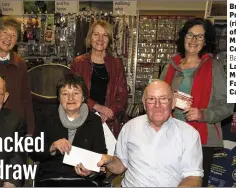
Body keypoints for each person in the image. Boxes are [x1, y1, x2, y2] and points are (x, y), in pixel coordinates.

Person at [159, 18, 234, 186]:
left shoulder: (215, 67)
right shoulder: (170, 66)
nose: (194, 40)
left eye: (200, 37)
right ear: (183, 37)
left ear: (205, 42)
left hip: (200, 139)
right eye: (190, 35)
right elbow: (158, 99)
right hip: (169, 136)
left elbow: (228, 106)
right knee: (167, 180)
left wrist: (203, 114)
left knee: (194, 182)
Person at [94, 80, 203, 187]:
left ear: (173, 103)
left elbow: (193, 177)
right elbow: (120, 165)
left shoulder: (189, 134)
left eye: (164, 99)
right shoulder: (130, 127)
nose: (157, 105)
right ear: (144, 103)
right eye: (151, 99)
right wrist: (108, 160)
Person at [30, 74, 107, 187]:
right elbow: (33, 152)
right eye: (65, 93)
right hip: (50, 179)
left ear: (84, 97)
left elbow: (101, 155)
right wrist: (52, 147)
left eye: (76, 93)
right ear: (59, 97)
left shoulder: (94, 121)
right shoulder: (47, 117)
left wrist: (91, 171)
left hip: (82, 181)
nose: (70, 98)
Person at [71, 20, 128, 138]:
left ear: (109, 39)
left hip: (109, 125)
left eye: (105, 35)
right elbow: (73, 94)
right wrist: (95, 106)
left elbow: (122, 96)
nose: (100, 39)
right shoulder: (78, 63)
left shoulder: (117, 64)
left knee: (107, 156)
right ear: (90, 37)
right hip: (83, 122)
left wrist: (110, 112)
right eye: (96, 34)